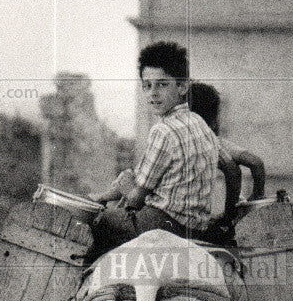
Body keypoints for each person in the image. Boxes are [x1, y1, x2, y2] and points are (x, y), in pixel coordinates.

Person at [88, 41, 220, 256]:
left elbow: (136, 198)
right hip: (196, 227)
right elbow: (143, 178)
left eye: (162, 84)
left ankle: (94, 276)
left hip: (166, 225)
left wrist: (124, 190)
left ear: (182, 87)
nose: (153, 93)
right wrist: (109, 193)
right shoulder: (199, 122)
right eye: (147, 86)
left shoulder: (163, 131)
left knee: (102, 221)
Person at [188, 81, 266, 203]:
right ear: (214, 117)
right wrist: (257, 196)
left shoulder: (179, 140)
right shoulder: (215, 142)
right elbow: (256, 163)